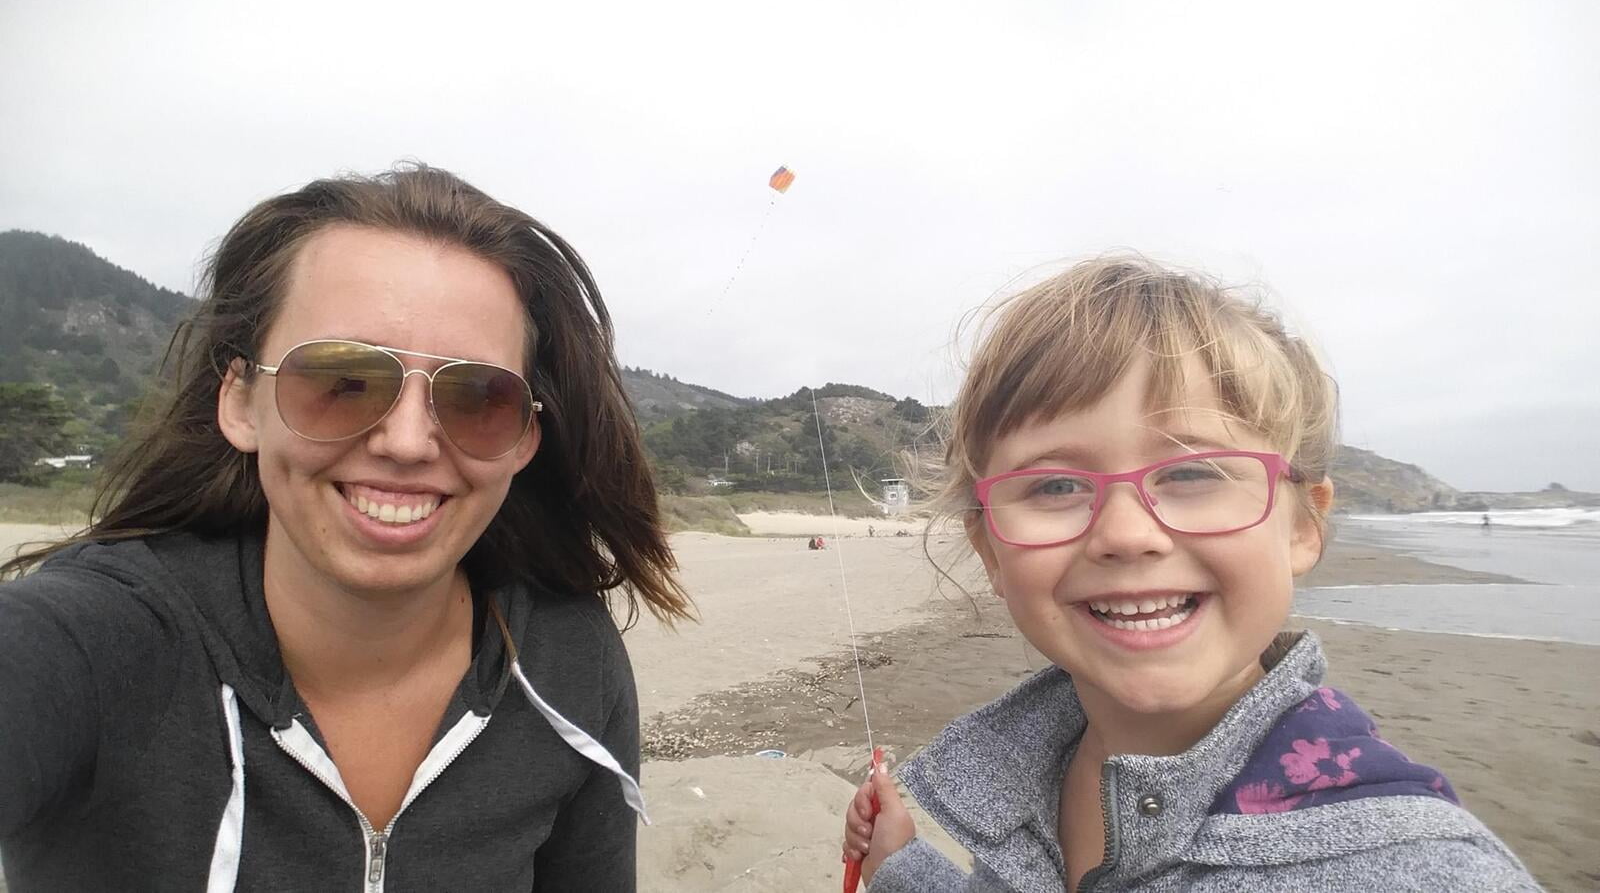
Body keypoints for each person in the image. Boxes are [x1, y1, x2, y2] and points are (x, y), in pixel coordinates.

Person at [0, 165, 691, 891]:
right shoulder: (97, 642)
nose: (407, 442)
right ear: (239, 402)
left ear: (524, 440)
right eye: (340, 381)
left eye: (477, 397)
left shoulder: (566, 659)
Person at [841, 258, 1539, 891]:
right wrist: (902, 866)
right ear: (992, 549)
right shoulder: (1027, 776)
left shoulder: (1427, 872)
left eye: (1192, 472)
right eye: (1054, 487)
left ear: (1302, 524)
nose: (1126, 534)